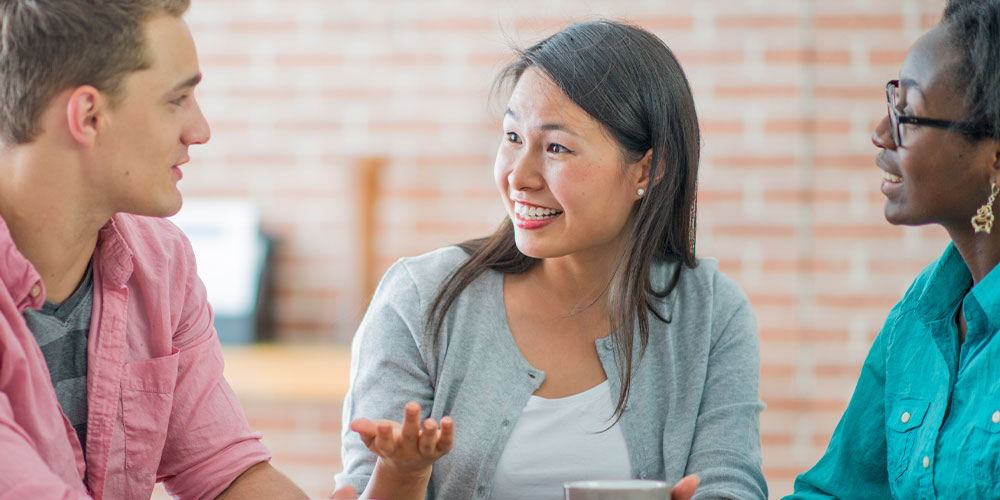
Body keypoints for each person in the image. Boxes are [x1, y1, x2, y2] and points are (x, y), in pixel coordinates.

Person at [336, 20, 768, 500]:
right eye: (512, 137)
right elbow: (360, 487)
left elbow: (729, 486)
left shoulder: (710, 312)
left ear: (649, 169)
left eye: (556, 147)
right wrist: (402, 473)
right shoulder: (420, 299)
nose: (518, 176)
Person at [0, 1, 311, 498]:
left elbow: (225, 471)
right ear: (89, 115)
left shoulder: (161, 262)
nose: (200, 131)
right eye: (177, 99)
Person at [786, 0, 1000, 498]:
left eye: (908, 115)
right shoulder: (919, 317)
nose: (881, 134)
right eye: (891, 103)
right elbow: (837, 492)